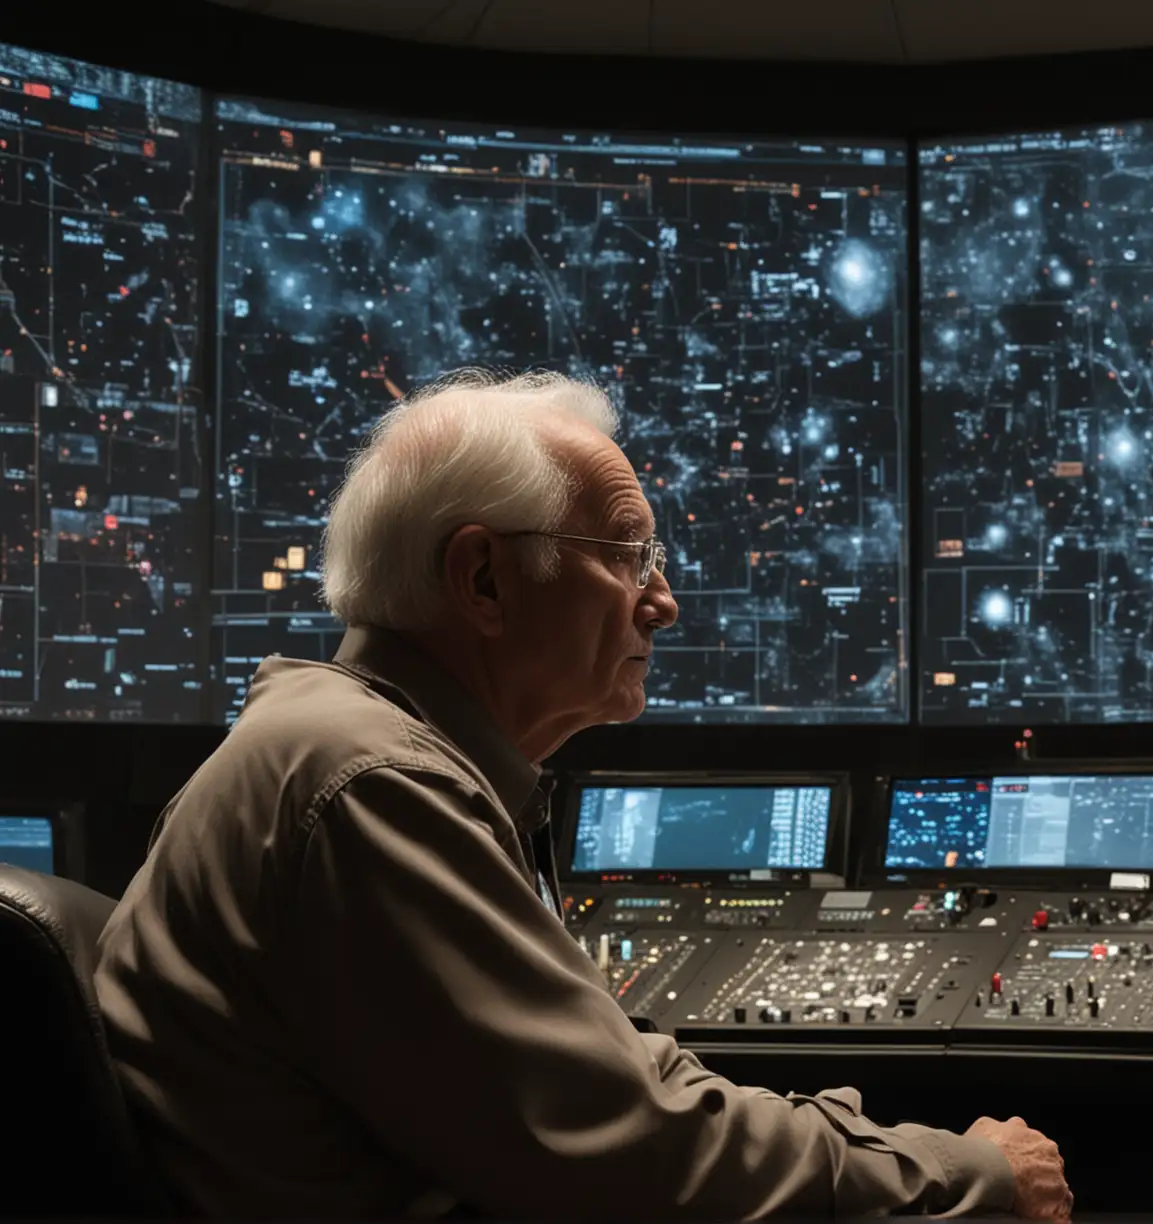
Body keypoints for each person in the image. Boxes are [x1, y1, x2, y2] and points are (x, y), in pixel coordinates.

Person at [94, 370, 1071, 1219]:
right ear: (484, 578)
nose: (664, 600)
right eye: (628, 554)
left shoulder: (350, 750)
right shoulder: (370, 784)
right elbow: (639, 1153)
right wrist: (959, 1172)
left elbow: (608, 1102)